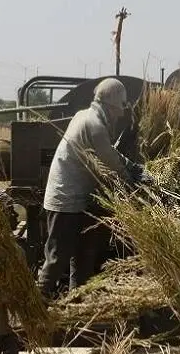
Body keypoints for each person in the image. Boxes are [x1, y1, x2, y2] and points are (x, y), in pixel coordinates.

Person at [39, 78, 151, 297]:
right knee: (57, 258)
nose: (121, 113)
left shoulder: (84, 115)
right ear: (110, 103)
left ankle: (75, 303)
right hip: (65, 200)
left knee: (82, 256)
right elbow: (113, 165)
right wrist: (135, 182)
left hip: (78, 198)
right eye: (121, 107)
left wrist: (133, 166)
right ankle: (34, 305)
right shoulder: (95, 125)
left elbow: (110, 153)